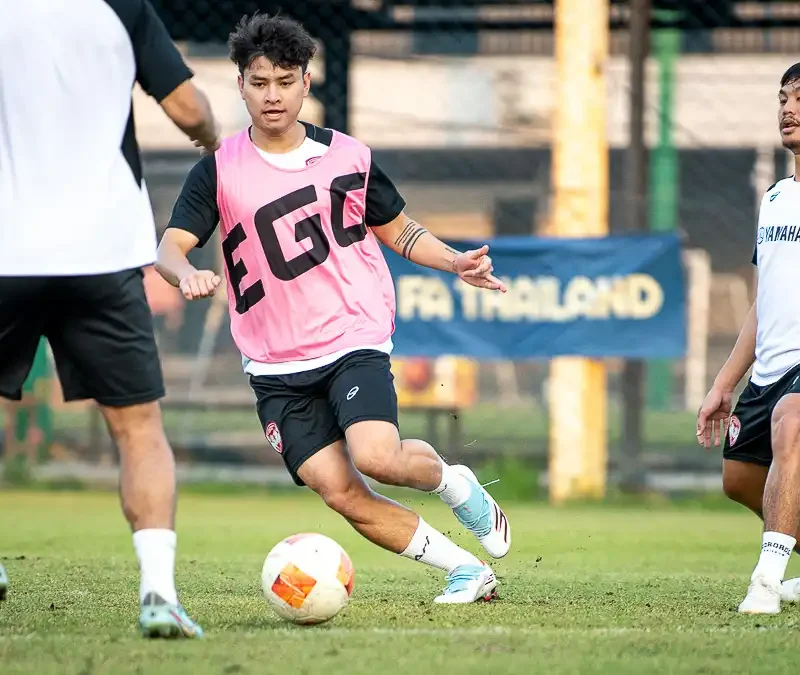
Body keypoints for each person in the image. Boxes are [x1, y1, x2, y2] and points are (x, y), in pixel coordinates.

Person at [156, 13, 512, 604]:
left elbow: (399, 230)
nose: (273, 95)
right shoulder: (217, 170)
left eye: (285, 81)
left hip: (351, 337)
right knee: (338, 490)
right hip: (274, 364)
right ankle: (467, 570)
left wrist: (455, 262)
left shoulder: (348, 157)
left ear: (306, 82)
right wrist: (185, 271)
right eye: (259, 82)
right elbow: (170, 247)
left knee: (378, 458)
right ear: (240, 85)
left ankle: (453, 484)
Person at [0, 0, 222, 637]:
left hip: (8, 250)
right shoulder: (123, 8)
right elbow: (187, 108)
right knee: (139, 429)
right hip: (101, 252)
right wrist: (213, 139)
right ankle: (158, 594)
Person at [697, 62, 800, 614]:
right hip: (770, 368)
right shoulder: (777, 197)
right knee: (738, 480)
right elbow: (766, 300)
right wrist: (724, 383)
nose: (788, 109)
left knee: (792, 424)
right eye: (783, 99)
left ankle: (766, 580)